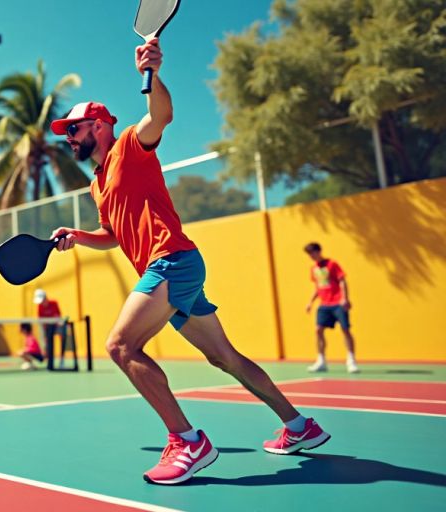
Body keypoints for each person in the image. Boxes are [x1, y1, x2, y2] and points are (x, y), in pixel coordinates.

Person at [46, 38, 328, 485]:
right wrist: (78, 237)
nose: (68, 138)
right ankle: (299, 426)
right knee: (226, 358)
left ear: (99, 125)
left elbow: (161, 116)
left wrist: (153, 74)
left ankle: (187, 441)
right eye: (66, 133)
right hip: (173, 268)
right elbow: (114, 237)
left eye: (74, 129)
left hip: (171, 261)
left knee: (121, 347)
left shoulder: (129, 147)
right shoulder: (97, 185)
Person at [304, 242, 358, 373]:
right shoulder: (313, 269)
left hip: (338, 303)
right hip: (324, 305)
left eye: (313, 252)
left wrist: (345, 298)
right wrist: (310, 302)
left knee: (345, 330)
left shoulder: (332, 264)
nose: (311, 256)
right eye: (309, 254)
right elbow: (318, 286)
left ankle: (351, 361)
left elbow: (342, 281)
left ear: (319, 251)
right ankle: (321, 361)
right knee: (318, 330)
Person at [34, 289, 66, 357]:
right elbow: (41, 320)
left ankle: (62, 355)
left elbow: (58, 315)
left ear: (45, 298)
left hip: (56, 326)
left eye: (42, 300)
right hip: (47, 328)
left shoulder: (54, 303)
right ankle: (46, 354)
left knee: (63, 333)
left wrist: (58, 324)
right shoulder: (39, 306)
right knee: (44, 337)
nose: (41, 303)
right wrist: (45, 331)